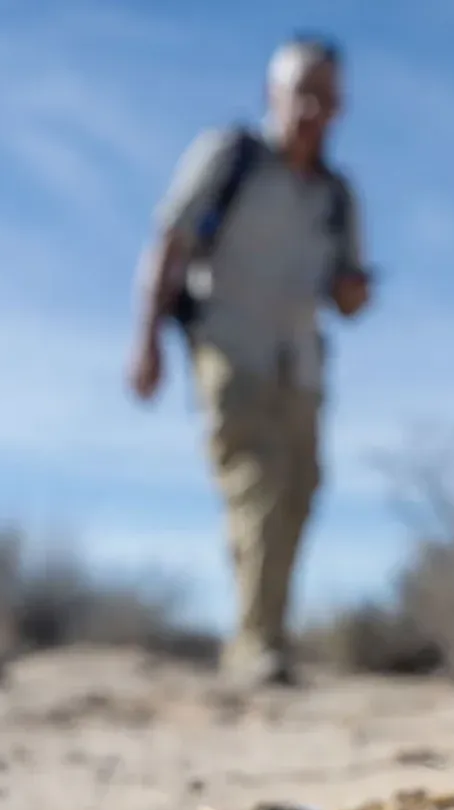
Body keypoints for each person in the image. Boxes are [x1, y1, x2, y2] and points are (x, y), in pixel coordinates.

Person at [129, 35, 372, 686]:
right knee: (257, 484)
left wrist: (354, 293)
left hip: (302, 365)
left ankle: (259, 633)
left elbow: (345, 297)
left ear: (341, 108)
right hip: (229, 349)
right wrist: (147, 339)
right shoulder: (229, 157)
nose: (313, 110)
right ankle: (257, 646)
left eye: (327, 98)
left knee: (297, 494)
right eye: (303, 93)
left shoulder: (337, 198)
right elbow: (168, 243)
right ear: (274, 95)